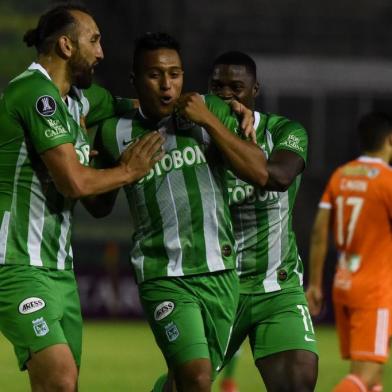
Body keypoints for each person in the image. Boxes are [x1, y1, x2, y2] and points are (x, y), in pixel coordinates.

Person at [88, 32, 268, 392]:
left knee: (185, 381)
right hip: (162, 274)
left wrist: (211, 122)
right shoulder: (113, 132)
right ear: (135, 80)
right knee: (198, 377)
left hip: (219, 272)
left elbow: (261, 172)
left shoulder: (209, 113)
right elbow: (98, 207)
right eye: (155, 75)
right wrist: (101, 169)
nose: (167, 85)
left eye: (175, 74)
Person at [0, 4, 163, 391]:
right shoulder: (33, 93)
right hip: (15, 263)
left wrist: (216, 111)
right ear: (66, 46)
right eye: (94, 40)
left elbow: (143, 108)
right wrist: (128, 171)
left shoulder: (78, 101)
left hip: (59, 269)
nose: (101, 52)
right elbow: (73, 183)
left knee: (63, 386)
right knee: (59, 378)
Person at [208, 51, 318, 392]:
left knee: (298, 381)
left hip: (278, 286)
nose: (226, 94)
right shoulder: (195, 139)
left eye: (236, 87)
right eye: (218, 86)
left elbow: (280, 176)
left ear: (255, 90)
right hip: (217, 288)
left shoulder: (286, 131)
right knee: (187, 384)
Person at [306, 112, 392, 392]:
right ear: (389, 140)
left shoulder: (340, 176)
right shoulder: (387, 180)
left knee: (372, 378)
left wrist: (316, 283)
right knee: (364, 377)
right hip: (374, 290)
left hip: (343, 283)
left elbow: (320, 232)